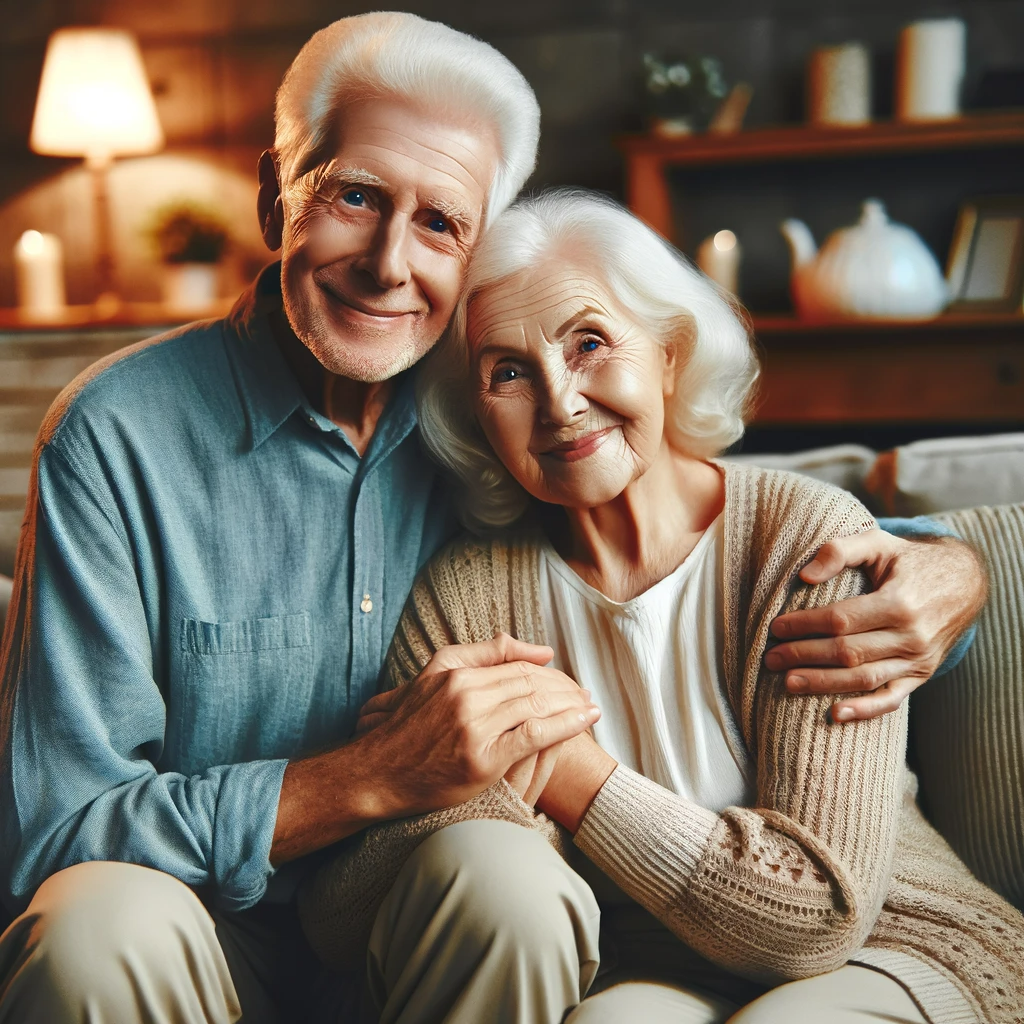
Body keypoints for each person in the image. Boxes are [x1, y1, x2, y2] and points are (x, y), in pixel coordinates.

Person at [0, 13, 986, 1024]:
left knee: (501, 874)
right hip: (197, 931)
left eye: (440, 223)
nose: (390, 264)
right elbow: (52, 830)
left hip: (429, 930)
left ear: (476, 256)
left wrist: (946, 565)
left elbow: (701, 510)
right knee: (90, 923)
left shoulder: (485, 404)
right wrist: (364, 777)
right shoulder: (121, 433)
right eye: (354, 197)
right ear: (272, 197)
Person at [301, 190, 1024, 1023]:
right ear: (476, 417)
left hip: (894, 947)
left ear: (671, 353)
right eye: (506, 372)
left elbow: (815, 919)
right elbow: (341, 919)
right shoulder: (465, 591)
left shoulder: (805, 543)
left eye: (590, 343)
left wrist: (566, 774)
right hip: (645, 970)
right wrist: (447, 778)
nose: (560, 402)